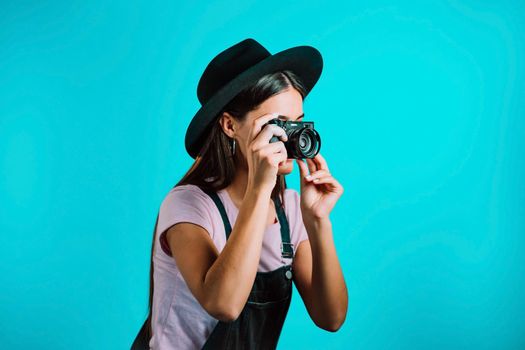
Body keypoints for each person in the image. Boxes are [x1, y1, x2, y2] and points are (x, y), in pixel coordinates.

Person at [131, 38, 348, 349]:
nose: (291, 139)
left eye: (297, 125)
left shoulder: (289, 208)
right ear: (230, 125)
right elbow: (225, 304)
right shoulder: (188, 205)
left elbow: (332, 318)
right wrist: (259, 190)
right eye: (278, 125)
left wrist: (317, 221)